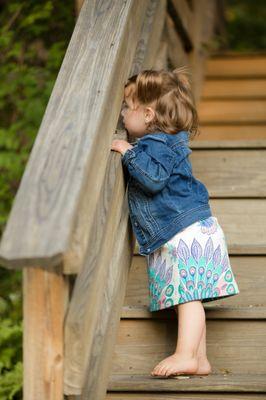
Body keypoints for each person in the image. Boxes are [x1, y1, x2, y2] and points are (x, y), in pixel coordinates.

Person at [111, 68, 240, 378]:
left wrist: (128, 151)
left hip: (184, 232)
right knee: (190, 295)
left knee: (188, 298)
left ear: (148, 114)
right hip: (189, 228)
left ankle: (185, 354)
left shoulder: (154, 145)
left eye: (127, 107)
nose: (123, 113)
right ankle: (201, 359)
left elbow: (153, 179)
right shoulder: (166, 141)